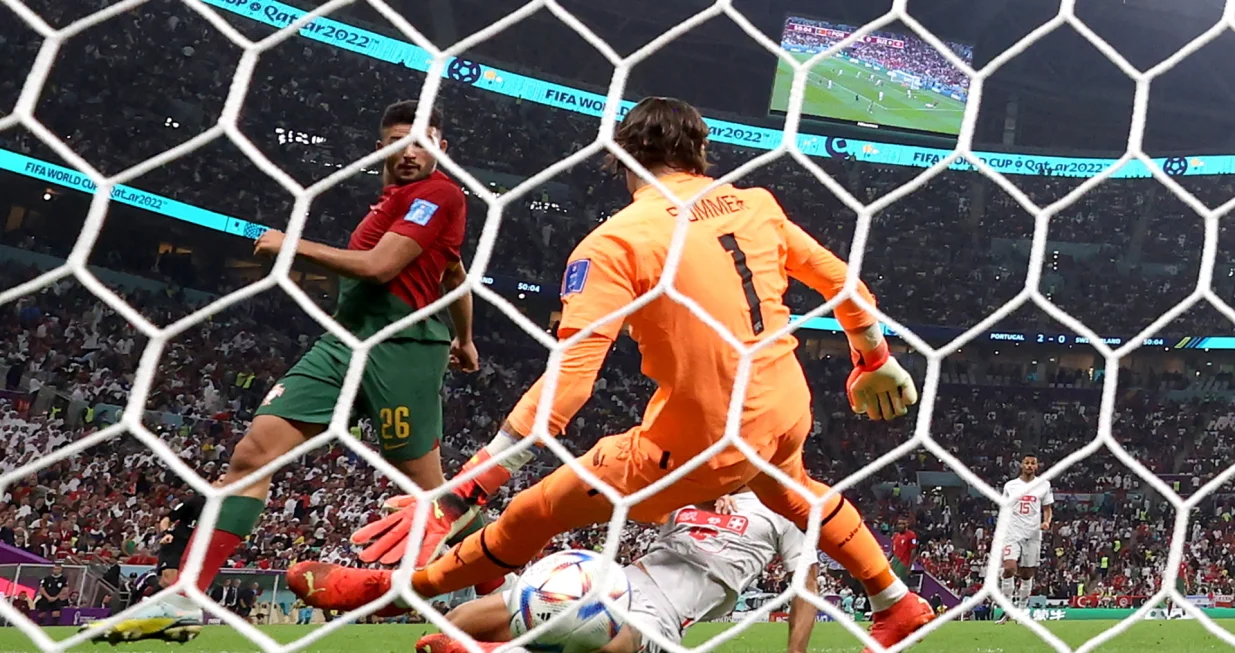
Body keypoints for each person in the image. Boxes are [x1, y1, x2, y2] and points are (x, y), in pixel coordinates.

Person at [291, 96, 932, 651]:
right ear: (701, 152)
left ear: (620, 160)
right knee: (791, 491)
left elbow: (573, 378)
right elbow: (842, 281)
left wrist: (466, 488)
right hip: (785, 407)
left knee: (533, 511)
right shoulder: (755, 204)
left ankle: (403, 588)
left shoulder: (617, 241)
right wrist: (872, 357)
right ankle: (894, 600)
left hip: (700, 439)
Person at [177, 99, 485, 599]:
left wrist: (289, 244)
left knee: (429, 494)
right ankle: (188, 593)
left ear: (440, 148)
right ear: (380, 147)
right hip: (342, 345)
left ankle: (507, 580)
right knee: (252, 455)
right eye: (398, 142)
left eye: (421, 143)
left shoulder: (440, 194)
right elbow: (454, 273)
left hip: (401, 348)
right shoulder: (391, 202)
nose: (409, 153)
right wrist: (467, 338)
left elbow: (379, 267)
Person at [415, 492, 819, 653]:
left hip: (663, 611)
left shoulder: (787, 511)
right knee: (455, 623)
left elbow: (807, 587)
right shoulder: (691, 486)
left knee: (611, 650)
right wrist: (702, 490)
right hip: (613, 579)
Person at [998, 454, 1053, 624]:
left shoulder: (1044, 485)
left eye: (1033, 463)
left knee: (1027, 574)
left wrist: (1047, 522)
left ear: (1037, 466)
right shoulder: (1010, 486)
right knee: (1009, 568)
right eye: (1027, 463)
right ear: (1021, 465)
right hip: (1012, 532)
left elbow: (1047, 508)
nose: (1029, 466)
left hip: (1033, 534)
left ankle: (1021, 609)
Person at [889, 517, 917, 583]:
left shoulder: (911, 535)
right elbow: (892, 550)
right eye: (899, 524)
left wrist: (909, 567)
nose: (900, 526)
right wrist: (886, 560)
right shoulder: (895, 535)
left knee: (900, 582)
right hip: (895, 561)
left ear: (906, 525)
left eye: (902, 524)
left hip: (904, 563)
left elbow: (913, 550)